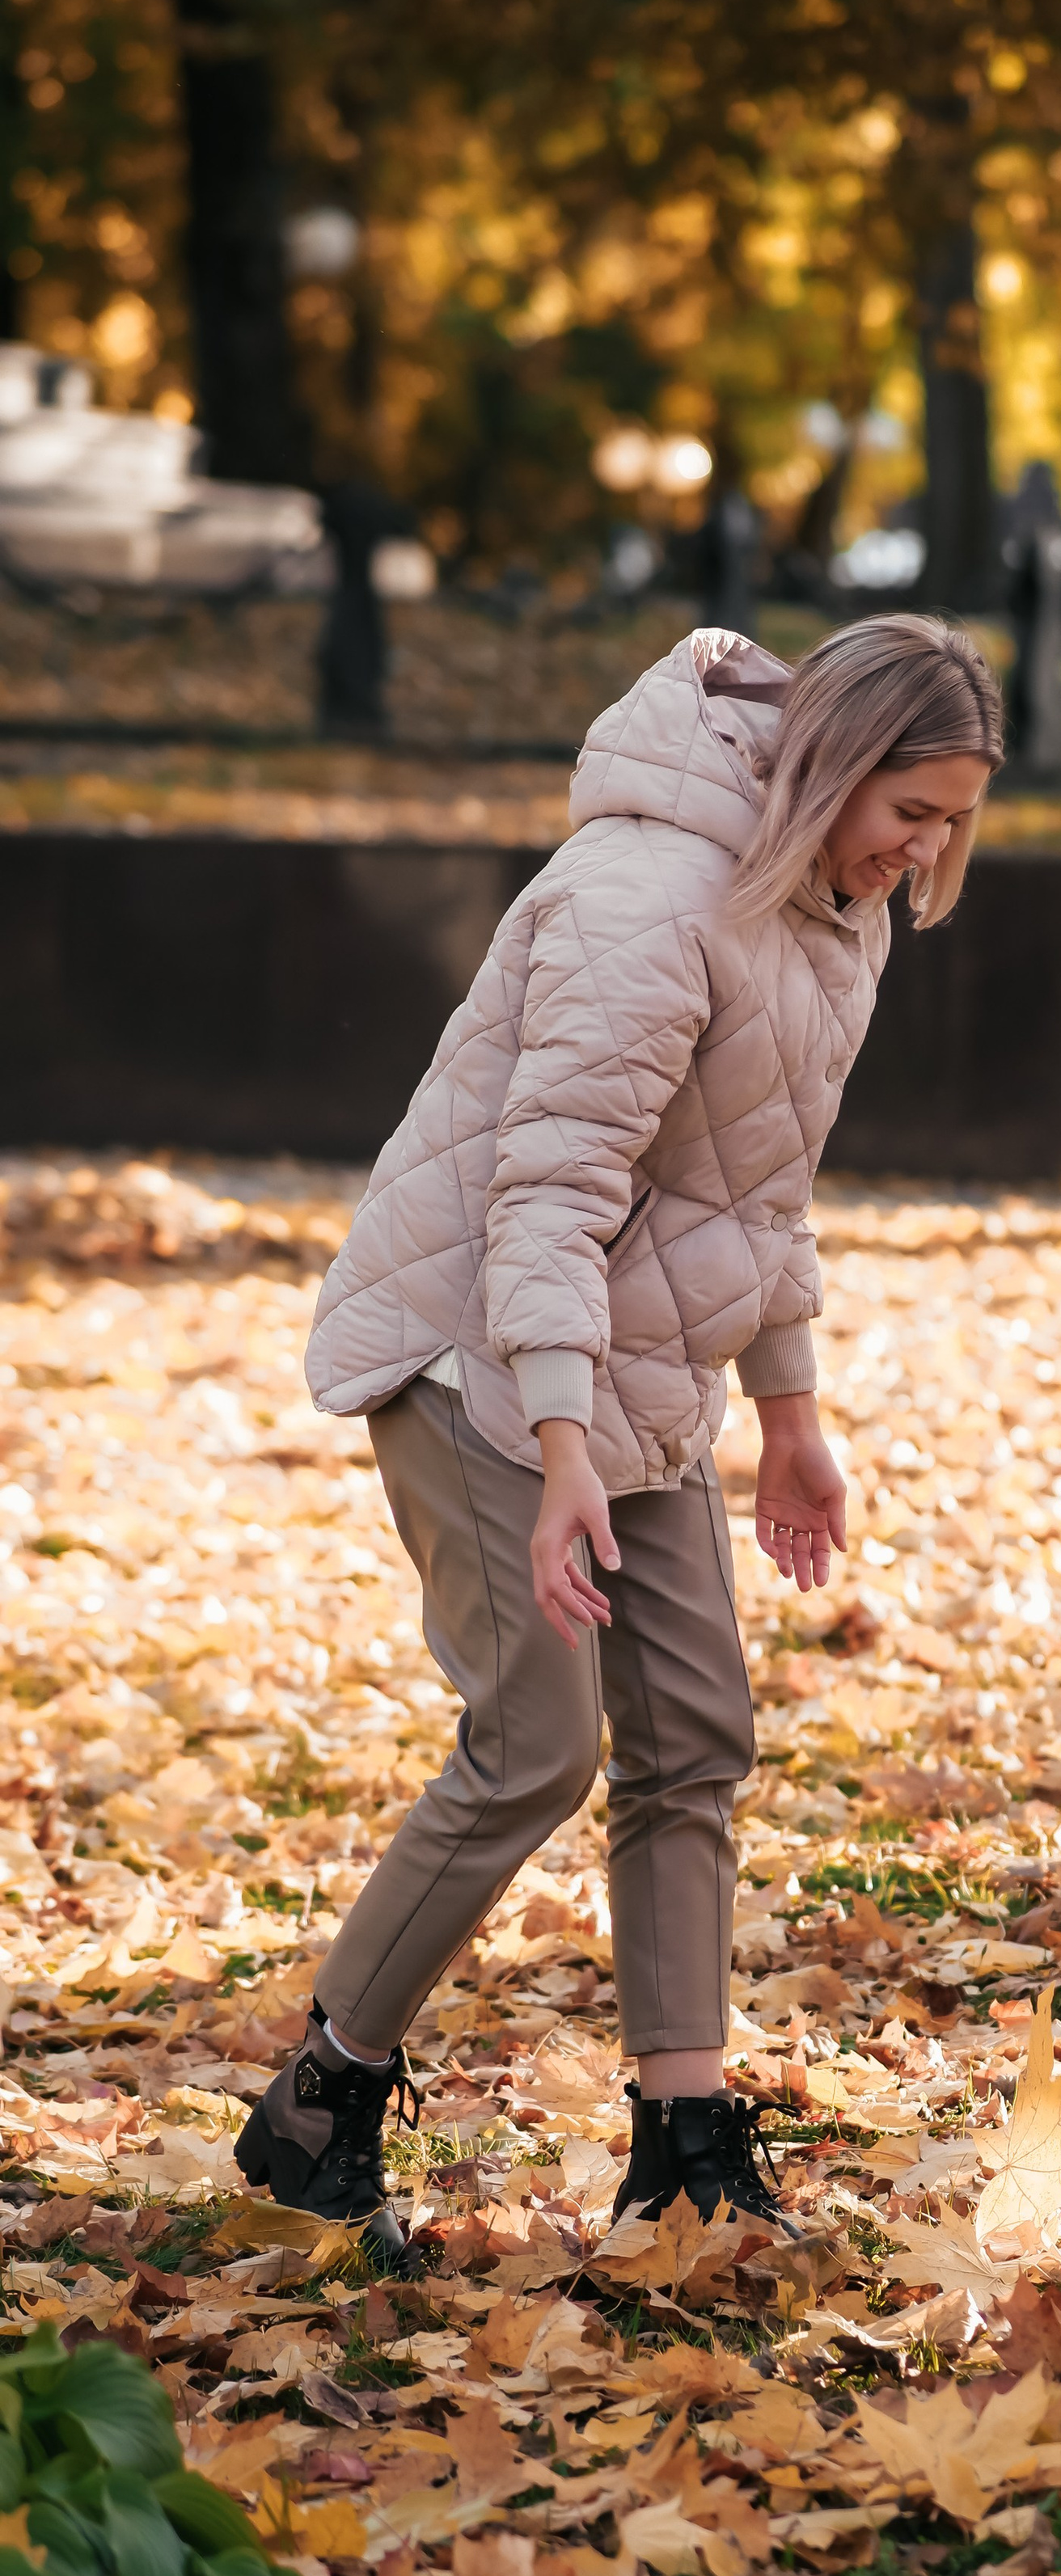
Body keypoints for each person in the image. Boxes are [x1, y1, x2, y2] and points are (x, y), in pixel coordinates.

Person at [237, 615, 1005, 2259]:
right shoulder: (646, 905)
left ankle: (682, 2137)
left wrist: (790, 1418)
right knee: (537, 1746)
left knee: (698, 1739)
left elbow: (759, 1197)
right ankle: (319, 2101)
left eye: (951, 820)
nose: (923, 851)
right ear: (824, 762)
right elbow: (546, 1198)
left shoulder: (834, 918)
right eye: (907, 808)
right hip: (477, 1359)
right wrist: (564, 1450)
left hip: (629, 1377)